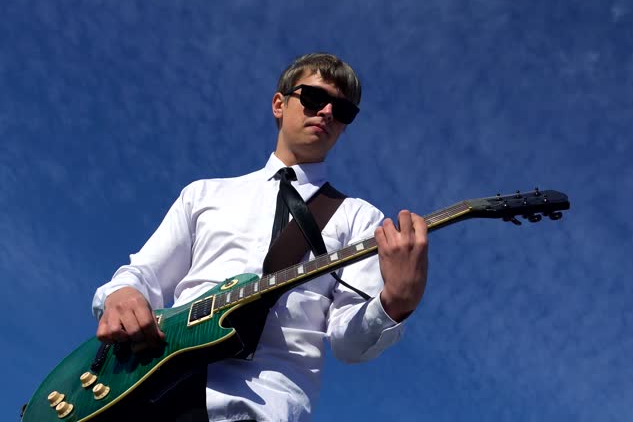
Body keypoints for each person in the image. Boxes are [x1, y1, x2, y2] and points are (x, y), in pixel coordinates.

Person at [92, 53, 429, 421]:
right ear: (279, 104)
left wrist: (395, 301)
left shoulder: (360, 218)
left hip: (256, 407)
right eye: (315, 99)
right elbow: (143, 275)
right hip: (151, 391)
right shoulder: (204, 194)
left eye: (343, 110)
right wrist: (122, 294)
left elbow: (350, 345)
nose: (328, 113)